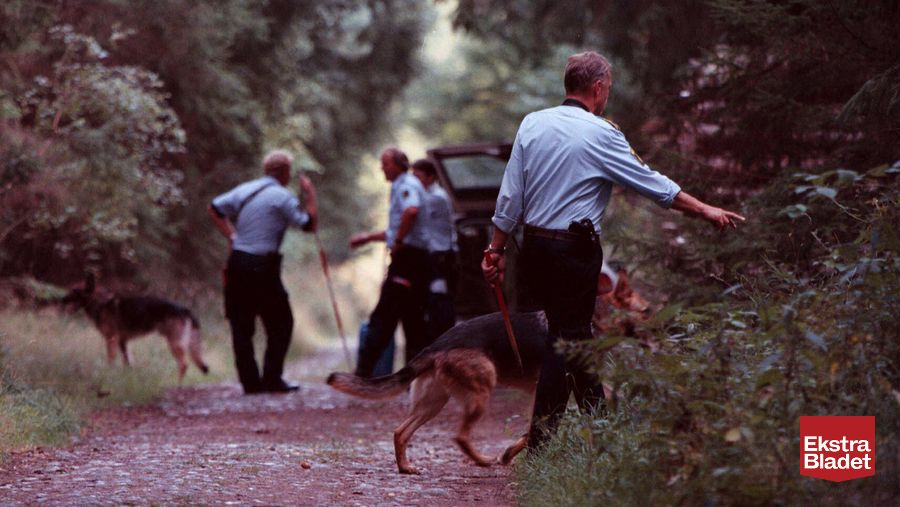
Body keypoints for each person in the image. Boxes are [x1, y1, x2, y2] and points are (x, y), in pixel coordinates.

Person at [481, 51, 745, 450]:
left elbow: (510, 195)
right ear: (599, 87)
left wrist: (495, 250)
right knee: (566, 340)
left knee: (573, 335)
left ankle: (602, 432)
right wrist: (704, 209)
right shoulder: (602, 133)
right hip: (573, 252)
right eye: (608, 90)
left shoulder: (531, 123)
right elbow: (652, 183)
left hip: (532, 249)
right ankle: (541, 444)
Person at [207, 149, 318, 394]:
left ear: (267, 170)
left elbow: (215, 208)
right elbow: (308, 225)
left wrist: (232, 236)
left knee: (241, 323)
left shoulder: (246, 189)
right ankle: (272, 377)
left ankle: (250, 383)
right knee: (281, 322)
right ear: (285, 172)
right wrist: (310, 196)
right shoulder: (283, 196)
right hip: (264, 266)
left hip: (238, 262)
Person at [349, 148, 432, 377]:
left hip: (409, 261)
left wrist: (397, 241)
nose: (382, 168)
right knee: (412, 318)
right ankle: (414, 377)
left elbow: (411, 212)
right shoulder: (403, 185)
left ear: (398, 165)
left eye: (385, 163)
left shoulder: (407, 185)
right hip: (415, 259)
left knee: (385, 315)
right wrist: (368, 238)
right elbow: (400, 225)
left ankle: (363, 373)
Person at [411, 158, 457, 342]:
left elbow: (411, 213)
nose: (414, 182)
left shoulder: (435, 197)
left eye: (418, 177)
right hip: (434, 254)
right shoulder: (428, 195)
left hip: (441, 256)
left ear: (431, 177)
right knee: (432, 301)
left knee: (439, 301)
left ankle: (443, 341)